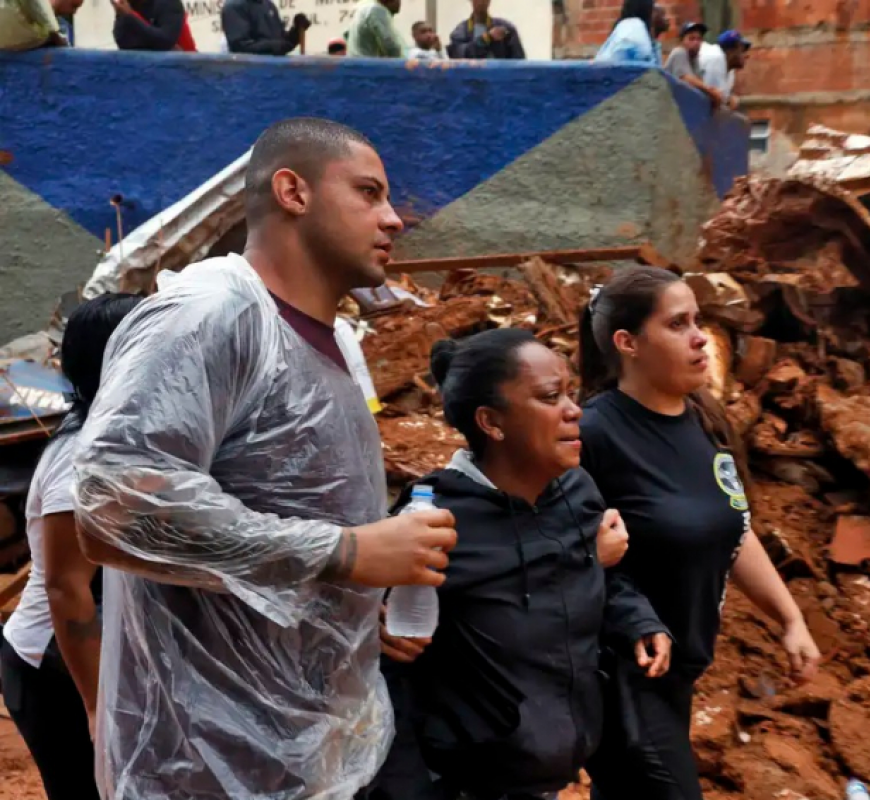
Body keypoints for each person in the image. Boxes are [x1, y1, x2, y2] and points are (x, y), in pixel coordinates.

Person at [72, 117, 458, 800]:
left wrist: (355, 596)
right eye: (369, 193)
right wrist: (344, 553)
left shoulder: (334, 341)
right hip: (202, 764)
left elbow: (283, 519)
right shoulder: (213, 312)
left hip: (306, 752)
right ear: (292, 191)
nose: (394, 218)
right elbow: (117, 499)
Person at [365, 329, 669, 800]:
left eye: (570, 392)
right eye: (551, 397)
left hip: (547, 778)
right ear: (491, 421)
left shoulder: (576, 492)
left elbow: (599, 573)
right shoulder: (434, 523)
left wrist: (636, 619)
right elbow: (387, 675)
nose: (574, 411)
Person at [578, 266, 821, 800]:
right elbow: (564, 548)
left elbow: (732, 529)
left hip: (679, 671)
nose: (700, 338)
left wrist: (790, 618)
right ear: (628, 343)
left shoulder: (702, 421)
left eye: (699, 321)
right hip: (619, 675)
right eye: (678, 324)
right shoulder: (593, 434)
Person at [0, 293, 142, 800]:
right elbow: (67, 589)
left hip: (92, 654)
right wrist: (98, 708)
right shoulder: (84, 456)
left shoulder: (127, 436)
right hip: (52, 666)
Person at [664, 21, 723, 105]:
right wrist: (711, 91)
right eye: (691, 39)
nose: (696, 43)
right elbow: (686, 79)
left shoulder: (695, 59)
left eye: (699, 39)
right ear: (681, 41)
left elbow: (699, 84)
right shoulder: (679, 52)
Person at [221, 0, 310, 55]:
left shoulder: (268, 4)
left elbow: (282, 43)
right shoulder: (234, 6)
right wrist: (273, 47)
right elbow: (240, 47)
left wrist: (296, 31)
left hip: (274, 74)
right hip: (250, 76)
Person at [448, 0, 523, 60]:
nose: (481, 2)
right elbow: (460, 56)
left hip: (499, 78)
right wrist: (486, 38)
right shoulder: (460, 32)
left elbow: (518, 63)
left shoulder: (506, 28)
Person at [112, 0, 197, 51]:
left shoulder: (168, 3)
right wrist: (123, 17)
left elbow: (166, 41)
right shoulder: (127, 5)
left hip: (186, 65)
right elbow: (121, 41)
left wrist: (131, 17)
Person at [593, 0, 656, 65]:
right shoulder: (634, 27)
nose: (654, 14)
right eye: (653, 9)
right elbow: (646, 59)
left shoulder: (624, 26)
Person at [699, 29, 750, 109]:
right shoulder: (716, 57)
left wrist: (729, 98)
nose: (747, 55)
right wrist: (729, 100)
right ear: (730, 51)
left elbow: (723, 97)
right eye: (742, 50)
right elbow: (713, 98)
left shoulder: (730, 71)